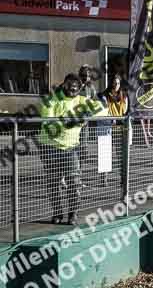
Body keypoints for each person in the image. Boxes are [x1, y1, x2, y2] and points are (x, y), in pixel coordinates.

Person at [38, 73, 108, 225]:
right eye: (69, 88)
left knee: (74, 182)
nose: (72, 91)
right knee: (53, 183)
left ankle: (73, 215)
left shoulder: (82, 100)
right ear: (64, 85)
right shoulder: (51, 100)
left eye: (75, 89)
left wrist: (88, 114)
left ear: (80, 89)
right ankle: (57, 213)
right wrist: (70, 122)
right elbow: (47, 123)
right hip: (50, 147)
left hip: (71, 147)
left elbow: (103, 107)